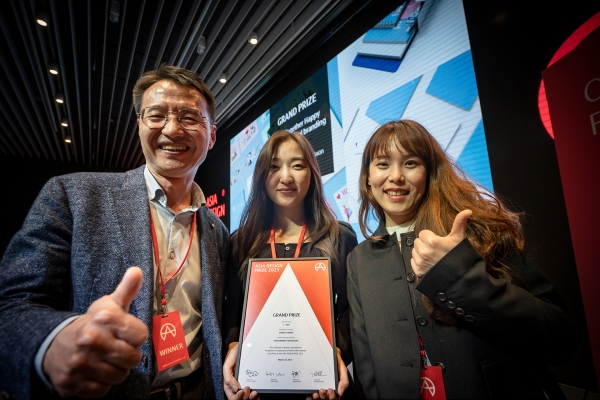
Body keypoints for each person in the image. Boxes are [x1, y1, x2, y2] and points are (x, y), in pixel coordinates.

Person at [0, 63, 229, 399]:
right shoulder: (72, 196)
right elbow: (10, 306)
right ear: (140, 126)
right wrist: (53, 340)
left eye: (189, 117)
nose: (172, 129)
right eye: (156, 115)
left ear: (211, 136)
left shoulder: (217, 230)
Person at [347, 120, 580, 399]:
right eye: (383, 164)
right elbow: (367, 366)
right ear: (367, 177)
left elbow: (561, 339)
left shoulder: (480, 229)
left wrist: (458, 273)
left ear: (430, 172)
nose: (396, 176)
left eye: (410, 163)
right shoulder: (359, 259)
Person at [221, 131, 358, 400]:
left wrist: (335, 352)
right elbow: (233, 312)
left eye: (297, 165)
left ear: (312, 173)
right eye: (274, 167)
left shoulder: (338, 237)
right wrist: (234, 348)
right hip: (257, 388)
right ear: (261, 176)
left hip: (321, 384)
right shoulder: (242, 241)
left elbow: (350, 311)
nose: (286, 177)